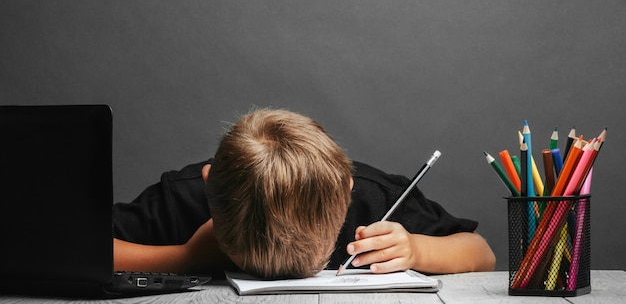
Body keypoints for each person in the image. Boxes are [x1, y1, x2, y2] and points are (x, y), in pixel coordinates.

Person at [113, 108, 495, 279]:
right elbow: (68, 248)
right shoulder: (186, 197)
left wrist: (417, 249)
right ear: (211, 188)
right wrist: (185, 258)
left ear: (347, 191)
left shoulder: (373, 200)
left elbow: (481, 252)